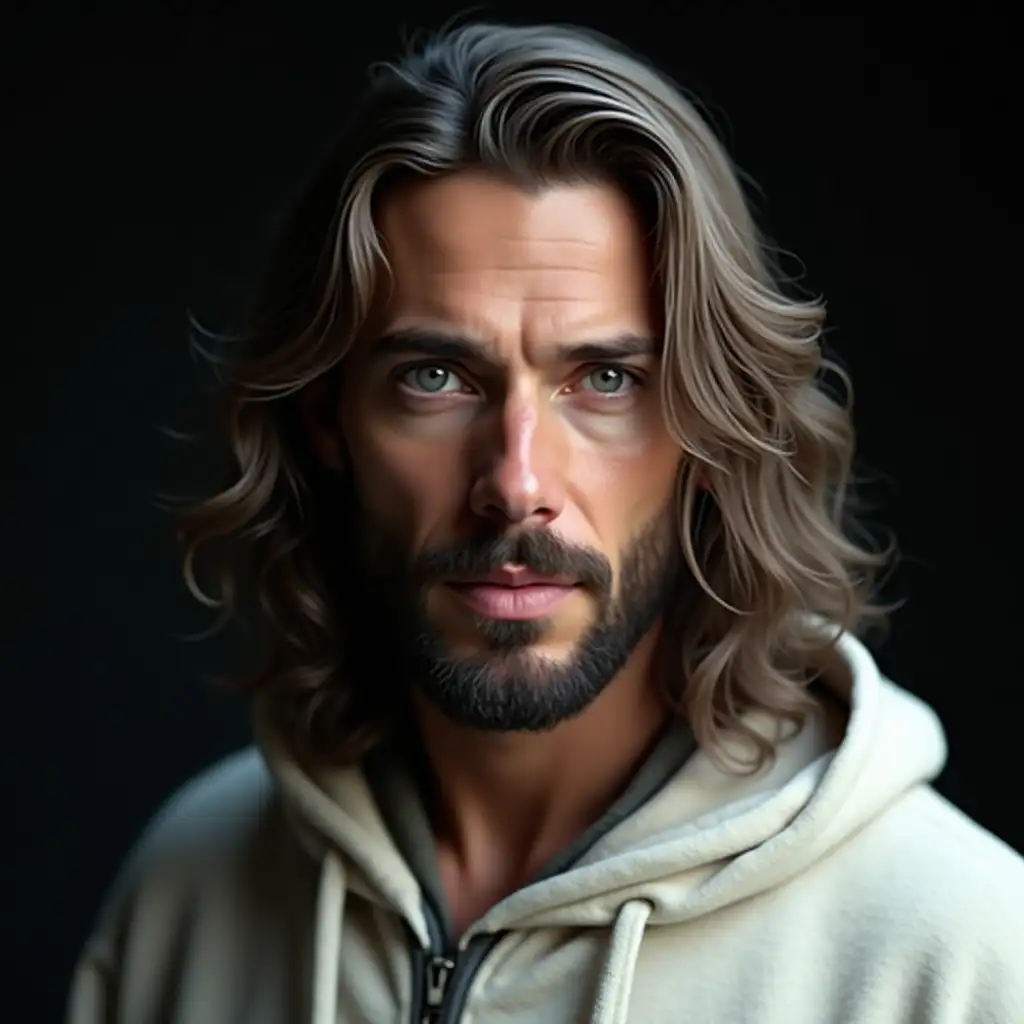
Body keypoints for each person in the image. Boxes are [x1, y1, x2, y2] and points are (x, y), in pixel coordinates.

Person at [68, 20, 1024, 1024]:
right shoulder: (189, 892)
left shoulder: (957, 954)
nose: (516, 481)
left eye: (605, 380)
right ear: (327, 420)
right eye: (434, 378)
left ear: (712, 431)